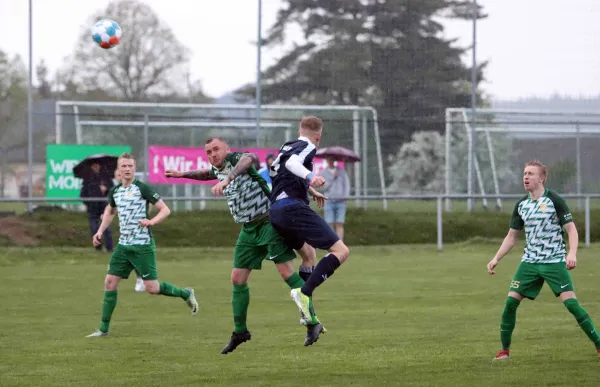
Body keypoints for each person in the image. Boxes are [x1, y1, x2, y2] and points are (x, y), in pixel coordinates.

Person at [165, 137, 327, 353]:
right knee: (237, 278)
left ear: (227, 149)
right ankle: (240, 331)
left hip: (269, 221)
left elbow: (250, 159)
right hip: (248, 230)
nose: (213, 154)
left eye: (216, 149)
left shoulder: (237, 160)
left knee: (286, 272)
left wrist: (227, 180)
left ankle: (313, 322)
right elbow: (205, 174)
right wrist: (181, 174)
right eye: (208, 152)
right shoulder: (220, 170)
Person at [487, 160, 600, 360]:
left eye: (530, 173)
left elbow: (571, 229)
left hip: (554, 261)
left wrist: (572, 253)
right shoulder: (522, 205)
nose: (526, 177)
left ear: (542, 178)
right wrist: (496, 258)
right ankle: (504, 352)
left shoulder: (553, 199)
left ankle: (599, 345)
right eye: (524, 173)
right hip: (529, 262)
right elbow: (512, 236)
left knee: (572, 305)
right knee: (510, 304)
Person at [86, 153, 198, 338]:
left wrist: (152, 222)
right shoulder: (115, 192)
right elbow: (110, 211)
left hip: (142, 246)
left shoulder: (142, 189)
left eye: (130, 166)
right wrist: (99, 231)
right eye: (124, 166)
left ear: (134, 168)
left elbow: (165, 209)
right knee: (110, 282)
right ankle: (103, 329)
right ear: (119, 170)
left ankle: (185, 293)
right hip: (123, 247)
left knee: (152, 288)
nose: (127, 169)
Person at [268, 116, 350, 331]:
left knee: (308, 255)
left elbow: (283, 173)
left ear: (298, 132)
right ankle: (303, 293)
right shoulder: (307, 145)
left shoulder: (286, 146)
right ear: (318, 136)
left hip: (276, 211)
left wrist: (309, 189)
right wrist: (311, 177)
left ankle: (307, 315)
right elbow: (292, 164)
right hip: (292, 208)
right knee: (341, 251)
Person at [113, 168, 146, 293]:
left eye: (119, 174)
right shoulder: (116, 191)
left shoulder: (136, 189)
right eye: (116, 175)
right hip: (125, 232)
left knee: (134, 257)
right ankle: (138, 277)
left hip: (138, 232)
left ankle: (140, 278)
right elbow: (111, 208)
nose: (118, 176)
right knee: (130, 257)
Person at [80, 161, 114, 252]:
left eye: (97, 165)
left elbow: (112, 190)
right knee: (94, 228)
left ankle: (109, 247)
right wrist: (89, 203)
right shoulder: (87, 179)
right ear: (91, 166)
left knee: (106, 228)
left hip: (104, 207)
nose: (96, 167)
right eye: (94, 165)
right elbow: (83, 194)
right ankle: (98, 247)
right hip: (92, 208)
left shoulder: (105, 178)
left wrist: (106, 189)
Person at [317, 157, 350, 241]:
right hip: (329, 201)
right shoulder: (323, 173)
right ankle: (332, 243)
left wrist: (345, 196)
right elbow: (323, 188)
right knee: (329, 223)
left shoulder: (341, 171)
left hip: (340, 201)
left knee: (339, 223)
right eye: (329, 159)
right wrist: (332, 178)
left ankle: (340, 243)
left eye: (332, 159)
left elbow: (346, 184)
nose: (330, 161)